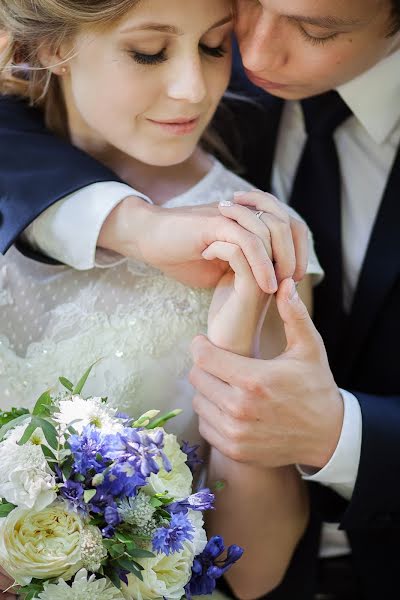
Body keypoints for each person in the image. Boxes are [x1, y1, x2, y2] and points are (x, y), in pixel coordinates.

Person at [1, 0, 398, 598]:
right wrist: (135, 226)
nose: (194, 88)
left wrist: (233, 349)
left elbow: (253, 570)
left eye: (215, 47)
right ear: (53, 46)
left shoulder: (255, 238)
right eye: (149, 52)